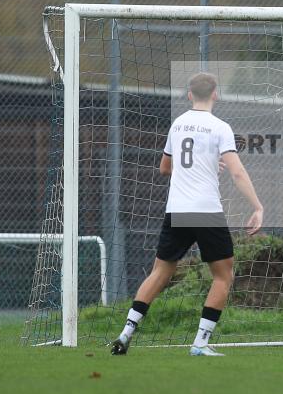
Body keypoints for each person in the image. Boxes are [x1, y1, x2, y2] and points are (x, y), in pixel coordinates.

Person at [111, 72, 264, 357]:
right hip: (206, 210)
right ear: (215, 94)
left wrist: (201, 167)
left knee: (160, 272)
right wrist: (257, 206)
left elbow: (165, 168)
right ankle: (200, 343)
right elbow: (237, 172)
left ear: (190, 94)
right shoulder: (220, 127)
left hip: (177, 210)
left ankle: (126, 332)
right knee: (222, 276)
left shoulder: (178, 124)